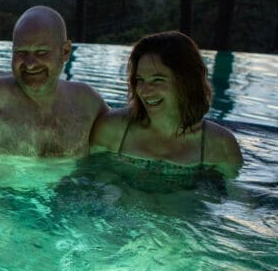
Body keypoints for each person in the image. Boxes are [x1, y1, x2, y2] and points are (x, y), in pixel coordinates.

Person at [0, 5, 108, 157]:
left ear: (65, 52)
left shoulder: (88, 104)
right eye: (21, 52)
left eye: (41, 52)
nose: (29, 63)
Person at [89, 31, 242, 175]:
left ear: (186, 82)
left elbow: (237, 199)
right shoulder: (112, 130)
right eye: (139, 80)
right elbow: (88, 180)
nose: (144, 91)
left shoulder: (220, 145)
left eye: (157, 80)